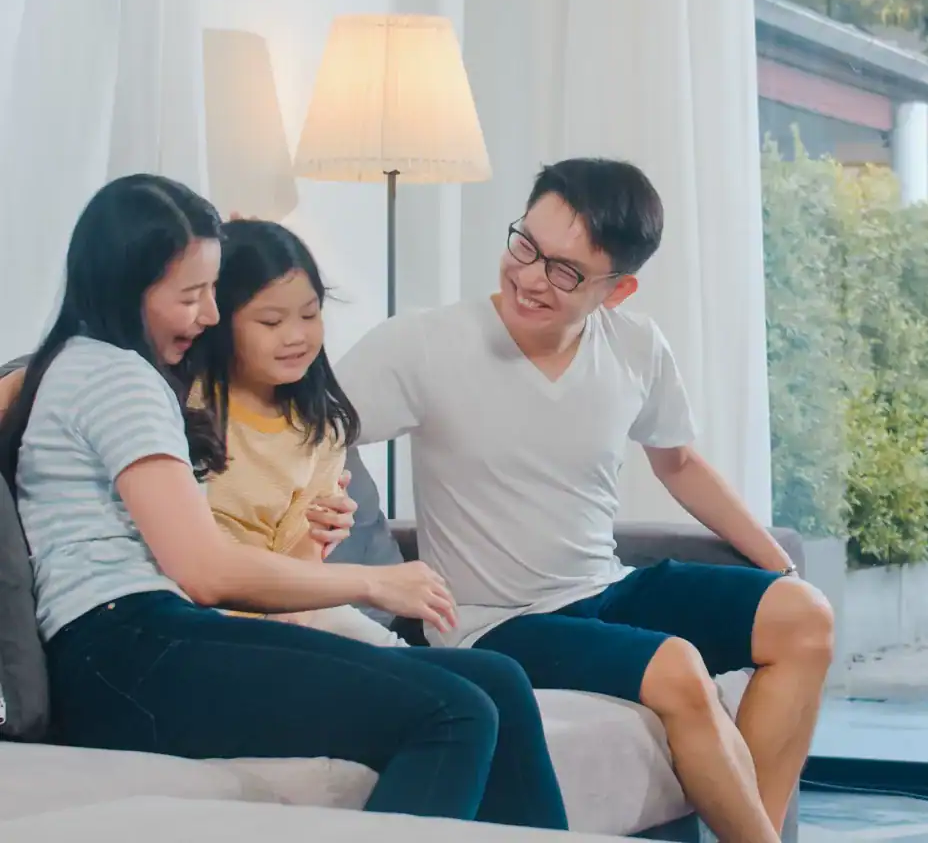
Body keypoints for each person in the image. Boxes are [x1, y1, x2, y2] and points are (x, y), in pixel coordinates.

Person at [0, 174, 567, 830]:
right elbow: (204, 571)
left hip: (139, 644)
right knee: (455, 710)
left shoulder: (83, 366)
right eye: (191, 295)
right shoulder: (114, 375)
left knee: (495, 678)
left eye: (213, 292)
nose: (209, 315)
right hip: (126, 649)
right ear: (128, 288)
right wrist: (376, 582)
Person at [333, 158, 835, 843]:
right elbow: (309, 430)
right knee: (676, 666)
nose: (531, 277)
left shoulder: (634, 347)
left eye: (565, 271)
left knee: (805, 617)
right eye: (525, 246)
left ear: (618, 289)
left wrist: (778, 567)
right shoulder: (423, 344)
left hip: (602, 589)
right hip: (493, 622)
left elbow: (679, 463)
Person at [188, 218, 405, 646]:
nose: (296, 336)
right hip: (204, 620)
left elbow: (297, 583)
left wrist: (316, 537)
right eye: (270, 322)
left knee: (478, 679)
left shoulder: (321, 429)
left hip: (289, 608)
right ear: (219, 320)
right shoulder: (185, 403)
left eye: (310, 314)